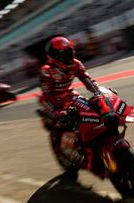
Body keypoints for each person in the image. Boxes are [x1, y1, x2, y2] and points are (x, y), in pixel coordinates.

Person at [37, 36, 117, 174]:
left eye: (70, 51)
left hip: (69, 95)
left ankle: (90, 143)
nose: (70, 56)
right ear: (55, 56)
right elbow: (47, 94)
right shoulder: (47, 70)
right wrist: (57, 111)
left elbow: (88, 80)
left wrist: (99, 93)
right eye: (65, 53)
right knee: (60, 123)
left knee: (90, 110)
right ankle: (62, 151)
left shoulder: (76, 64)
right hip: (51, 103)